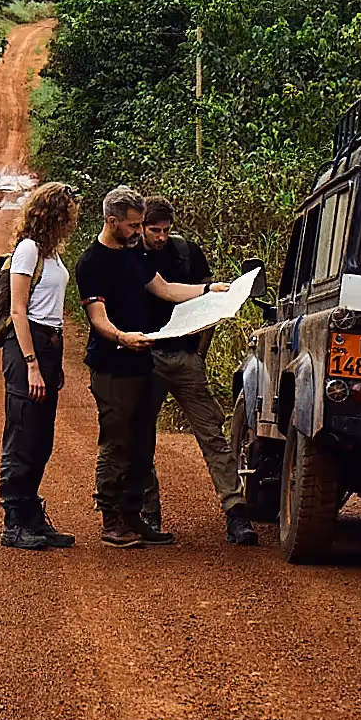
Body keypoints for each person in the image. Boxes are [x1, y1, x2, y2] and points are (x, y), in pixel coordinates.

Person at [75, 185, 224, 549]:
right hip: (113, 365)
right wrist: (123, 338)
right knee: (117, 441)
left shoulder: (135, 256)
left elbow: (167, 290)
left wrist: (209, 292)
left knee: (143, 441)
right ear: (112, 221)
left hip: (144, 360)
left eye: (143, 225)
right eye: (134, 225)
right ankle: (111, 519)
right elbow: (98, 319)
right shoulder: (92, 262)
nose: (140, 232)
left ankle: (133, 515)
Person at [140, 197, 257, 546]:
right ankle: (149, 513)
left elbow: (210, 306)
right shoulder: (133, 257)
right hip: (147, 356)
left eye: (165, 230)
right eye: (154, 231)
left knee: (213, 436)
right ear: (142, 226)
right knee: (141, 436)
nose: (160, 237)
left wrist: (199, 354)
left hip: (185, 357)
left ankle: (236, 511)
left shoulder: (186, 253)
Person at [0, 181, 80, 550]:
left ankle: (32, 514)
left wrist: (53, 360)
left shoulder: (52, 254)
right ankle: (13, 521)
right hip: (26, 345)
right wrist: (31, 363)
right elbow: (18, 311)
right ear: (53, 215)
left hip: (49, 345)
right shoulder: (28, 251)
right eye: (69, 215)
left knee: (42, 436)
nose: (72, 222)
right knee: (23, 432)